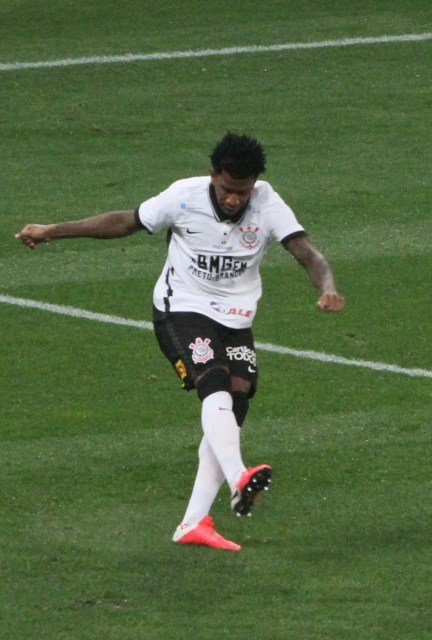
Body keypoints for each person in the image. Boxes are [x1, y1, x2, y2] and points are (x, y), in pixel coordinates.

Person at [16, 132, 345, 551]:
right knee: (214, 384)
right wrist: (53, 231)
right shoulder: (184, 197)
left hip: (237, 318)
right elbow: (125, 221)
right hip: (181, 309)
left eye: (241, 192)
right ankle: (239, 476)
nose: (232, 200)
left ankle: (194, 522)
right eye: (226, 190)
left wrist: (328, 286)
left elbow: (308, 254)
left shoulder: (267, 203)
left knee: (236, 400)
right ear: (213, 177)